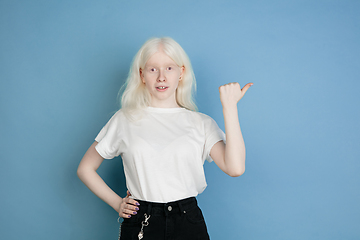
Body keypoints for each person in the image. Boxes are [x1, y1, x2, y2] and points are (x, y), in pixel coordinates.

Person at [77, 37, 252, 240]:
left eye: (169, 68)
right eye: (153, 69)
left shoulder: (201, 123)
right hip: (141, 221)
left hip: (188, 221)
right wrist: (118, 203)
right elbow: (85, 168)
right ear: (142, 75)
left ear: (181, 73)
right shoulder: (125, 119)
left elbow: (236, 168)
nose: (161, 77)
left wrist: (230, 108)